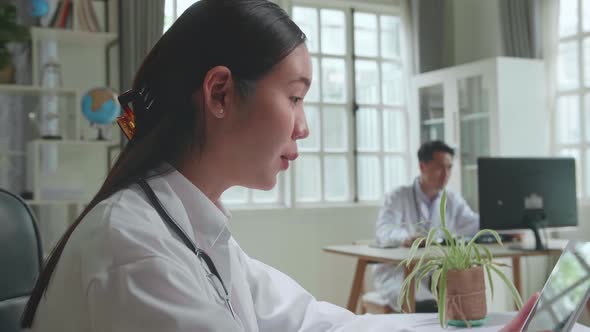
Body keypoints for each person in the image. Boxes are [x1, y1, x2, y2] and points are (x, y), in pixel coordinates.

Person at [21, 1, 537, 331]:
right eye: (294, 97)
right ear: (220, 92)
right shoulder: (134, 250)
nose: (304, 127)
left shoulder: (190, 228)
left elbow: (311, 321)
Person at [373, 140, 479, 312]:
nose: (445, 174)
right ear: (422, 166)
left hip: (435, 273)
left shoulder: (452, 199)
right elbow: (385, 230)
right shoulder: (398, 196)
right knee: (426, 305)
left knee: (467, 300)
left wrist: (506, 228)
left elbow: (473, 223)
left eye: (449, 168)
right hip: (397, 273)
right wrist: (407, 238)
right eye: (439, 167)